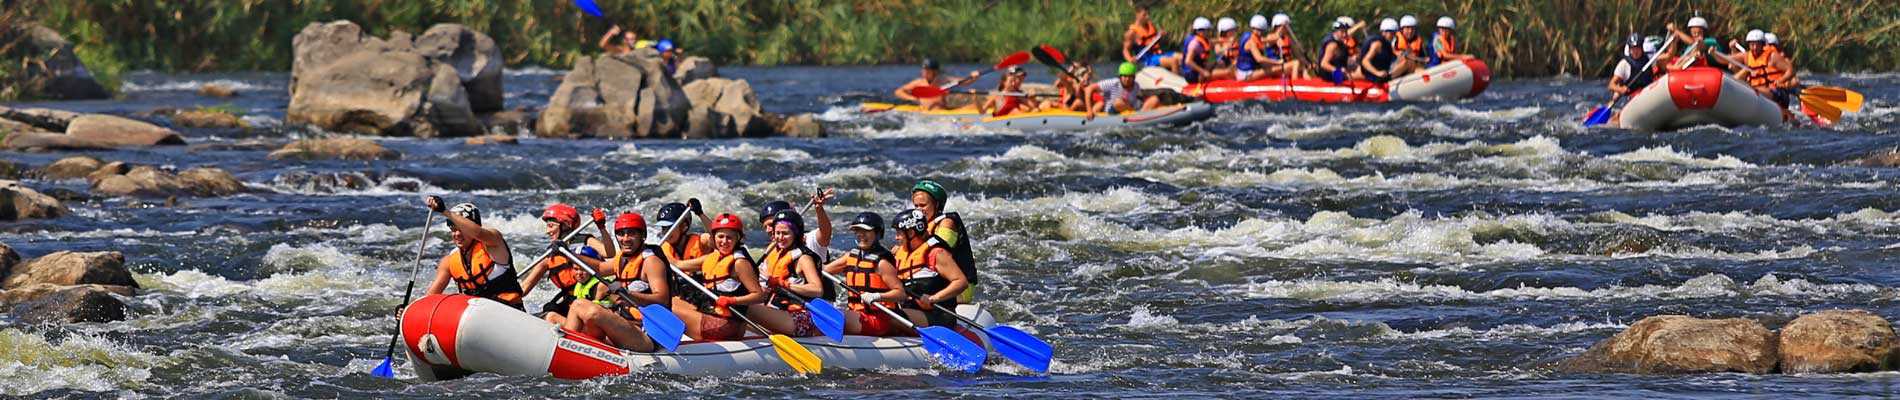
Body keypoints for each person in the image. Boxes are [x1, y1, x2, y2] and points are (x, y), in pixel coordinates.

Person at [558, 212, 665, 352]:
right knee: (582, 312)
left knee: (583, 306)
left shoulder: (651, 262)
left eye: (631, 233)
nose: (625, 239)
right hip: (623, 325)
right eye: (621, 234)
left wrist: (629, 294)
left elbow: (662, 299)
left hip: (645, 333)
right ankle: (571, 349)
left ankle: (563, 350)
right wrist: (568, 253)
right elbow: (600, 267)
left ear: (642, 236)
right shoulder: (622, 260)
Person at [671, 213, 769, 341]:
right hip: (713, 315)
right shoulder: (712, 258)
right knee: (671, 300)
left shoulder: (739, 263)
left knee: (664, 307)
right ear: (714, 238)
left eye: (729, 238)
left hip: (725, 326)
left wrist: (732, 301)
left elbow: (759, 295)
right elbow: (678, 265)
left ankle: (655, 344)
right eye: (720, 236)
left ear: (738, 238)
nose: (724, 242)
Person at [515, 203, 611, 326]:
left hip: (590, 299)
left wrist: (602, 227)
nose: (547, 231)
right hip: (570, 301)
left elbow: (609, 253)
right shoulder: (551, 253)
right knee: (549, 309)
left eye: (551, 226)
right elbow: (525, 287)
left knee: (551, 315)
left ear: (566, 225)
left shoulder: (585, 241)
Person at [422, 197, 525, 310]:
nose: (456, 234)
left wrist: (445, 211)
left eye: (461, 229)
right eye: (453, 230)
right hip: (476, 316)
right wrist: (407, 309)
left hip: (509, 310)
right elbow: (430, 298)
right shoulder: (449, 261)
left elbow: (478, 233)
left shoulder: (494, 242)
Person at [746, 210, 833, 337]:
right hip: (777, 311)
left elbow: (817, 289)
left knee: (745, 309)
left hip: (800, 319)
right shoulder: (774, 254)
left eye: (785, 233)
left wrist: (784, 284)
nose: (780, 238)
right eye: (777, 233)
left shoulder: (803, 258)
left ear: (796, 234)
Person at [824, 212, 910, 336]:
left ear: (877, 234)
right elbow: (824, 270)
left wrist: (877, 296)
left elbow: (901, 293)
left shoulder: (881, 263)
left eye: (865, 231)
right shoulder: (850, 256)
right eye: (857, 231)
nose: (860, 234)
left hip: (878, 319)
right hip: (857, 314)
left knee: (838, 317)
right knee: (828, 313)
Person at [890, 209, 970, 328]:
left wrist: (934, 298)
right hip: (912, 310)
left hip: (938, 315)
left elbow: (961, 282)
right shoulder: (900, 253)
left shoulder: (936, 253)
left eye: (899, 233)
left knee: (891, 317)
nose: (896, 237)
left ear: (911, 233)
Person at [907, 180, 979, 304]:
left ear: (937, 205)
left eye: (923, 205)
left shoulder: (947, 223)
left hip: (958, 288)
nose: (918, 211)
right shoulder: (920, 226)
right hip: (931, 282)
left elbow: (939, 248)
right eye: (916, 206)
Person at [758, 188, 836, 261]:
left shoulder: (810, 240)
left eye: (771, 225)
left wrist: (819, 208)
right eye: (765, 227)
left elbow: (825, 233)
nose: (768, 230)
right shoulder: (771, 251)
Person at [1735, 29, 1795, 110]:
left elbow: (1793, 77)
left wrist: (1782, 81)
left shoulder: (1777, 58)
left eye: (1772, 45)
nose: (1770, 47)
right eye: (1768, 45)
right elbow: (1732, 66)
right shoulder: (1750, 57)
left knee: (1754, 89)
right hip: (1759, 90)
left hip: (1778, 92)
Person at [894, 59, 980, 111]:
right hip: (925, 113)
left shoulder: (944, 80)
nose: (924, 72)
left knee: (973, 106)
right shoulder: (918, 82)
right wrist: (913, 99)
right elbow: (898, 92)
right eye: (923, 70)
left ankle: (991, 113)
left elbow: (965, 82)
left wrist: (974, 77)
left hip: (941, 113)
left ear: (935, 72)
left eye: (927, 70)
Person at [1085, 62, 1164, 118]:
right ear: (1120, 76)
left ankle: (1142, 115)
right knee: (1118, 102)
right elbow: (1089, 89)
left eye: (1130, 76)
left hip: (1131, 111)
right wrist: (1089, 110)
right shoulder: (1113, 82)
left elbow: (1139, 100)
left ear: (1134, 77)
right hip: (1112, 113)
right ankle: (1138, 116)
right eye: (1125, 76)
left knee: (1154, 99)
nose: (1127, 79)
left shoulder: (1136, 86)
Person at [1261, 13, 1310, 79]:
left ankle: (1309, 84)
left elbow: (1297, 55)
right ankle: (1295, 83)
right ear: (1282, 26)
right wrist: (1279, 32)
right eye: (1287, 26)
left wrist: (1308, 64)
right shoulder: (1272, 36)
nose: (1288, 28)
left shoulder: (1287, 39)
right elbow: (1264, 40)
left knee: (1302, 66)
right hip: (1274, 67)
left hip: (1285, 66)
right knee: (1296, 63)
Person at [1167, 17, 1216, 83]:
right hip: (1192, 75)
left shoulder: (1201, 39)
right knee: (1226, 72)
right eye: (1208, 30)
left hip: (1197, 71)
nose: (1209, 32)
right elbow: (1188, 61)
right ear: (1201, 31)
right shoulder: (1195, 44)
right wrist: (1203, 71)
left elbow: (1211, 42)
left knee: (1217, 64)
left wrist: (1224, 41)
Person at [1357, 18, 1401, 83]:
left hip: (1382, 73)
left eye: (1394, 33)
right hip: (1373, 76)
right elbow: (1365, 61)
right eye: (1392, 33)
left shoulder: (1387, 44)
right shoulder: (1377, 44)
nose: (1393, 36)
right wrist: (1377, 73)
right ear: (1384, 32)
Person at [1318, 18, 1361, 83]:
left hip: (1339, 69)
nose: (1344, 34)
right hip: (1331, 74)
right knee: (1361, 75)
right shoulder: (1332, 44)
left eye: (1345, 32)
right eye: (1342, 32)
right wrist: (1338, 70)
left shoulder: (1343, 41)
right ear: (1336, 31)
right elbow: (1323, 64)